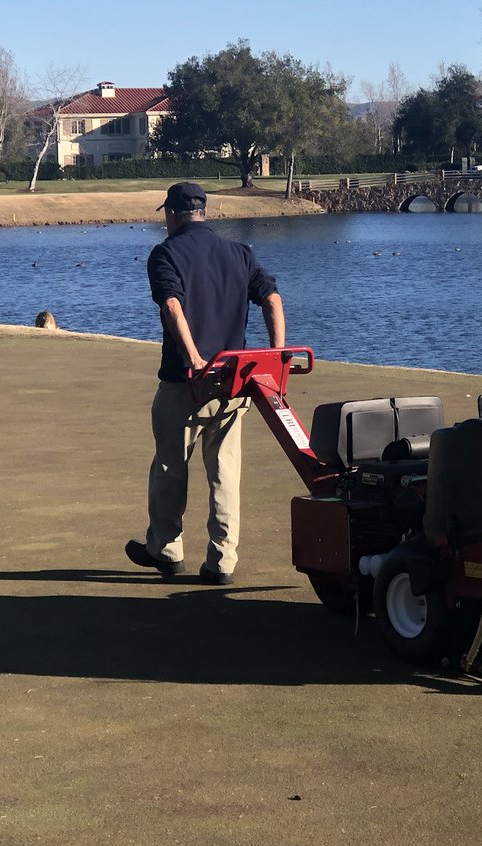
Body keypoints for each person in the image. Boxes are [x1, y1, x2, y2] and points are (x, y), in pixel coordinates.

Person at [125, 182, 285, 583]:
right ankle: (221, 562)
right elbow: (272, 298)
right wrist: (276, 355)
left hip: (186, 381)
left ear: (174, 214)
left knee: (169, 467)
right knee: (225, 473)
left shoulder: (165, 253)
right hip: (233, 383)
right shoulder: (239, 253)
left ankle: (165, 548)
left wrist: (195, 358)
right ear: (205, 213)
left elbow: (172, 303)